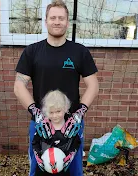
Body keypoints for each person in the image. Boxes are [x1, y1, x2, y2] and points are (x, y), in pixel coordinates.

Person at [14, 0, 99, 175]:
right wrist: (35, 112)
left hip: (71, 124)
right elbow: (19, 85)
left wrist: (79, 113)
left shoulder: (79, 51)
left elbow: (93, 85)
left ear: (67, 22)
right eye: (53, 18)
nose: (57, 21)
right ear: (45, 21)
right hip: (40, 124)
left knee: (74, 170)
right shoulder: (32, 51)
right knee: (38, 170)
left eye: (61, 18)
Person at [32, 90, 81, 176]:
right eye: (51, 112)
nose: (55, 116)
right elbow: (35, 142)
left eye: (58, 111)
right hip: (44, 167)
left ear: (65, 108)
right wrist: (38, 156)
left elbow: (76, 142)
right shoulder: (43, 126)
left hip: (63, 167)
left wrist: (71, 154)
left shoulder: (70, 126)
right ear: (46, 111)